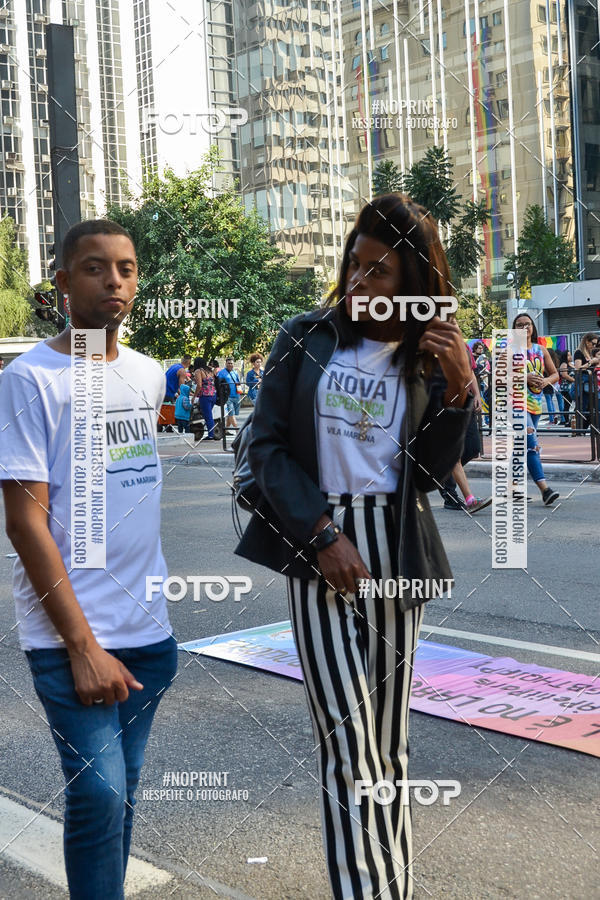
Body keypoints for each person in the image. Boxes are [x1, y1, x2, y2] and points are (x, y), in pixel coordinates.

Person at [236, 193, 473, 900]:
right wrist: (321, 534)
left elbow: (430, 476)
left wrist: (461, 391)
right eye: (356, 264)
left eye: (381, 271)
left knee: (389, 752)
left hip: (398, 550)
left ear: (414, 279)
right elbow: (267, 446)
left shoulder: (430, 352)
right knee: (348, 745)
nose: (362, 282)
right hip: (323, 545)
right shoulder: (305, 336)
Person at [0, 219, 177, 900]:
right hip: (71, 640)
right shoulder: (28, 380)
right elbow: (26, 524)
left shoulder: (145, 374)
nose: (115, 281)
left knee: (120, 797)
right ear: (62, 283)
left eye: (127, 268)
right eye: (96, 267)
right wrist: (81, 646)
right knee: (100, 795)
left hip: (148, 637)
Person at [513, 312, 559, 505]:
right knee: (531, 445)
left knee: (520, 448)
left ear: (533, 328)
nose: (524, 328)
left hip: (534, 404)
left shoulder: (541, 349)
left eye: (528, 324)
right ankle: (545, 490)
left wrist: (545, 380)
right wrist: (524, 378)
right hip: (514, 404)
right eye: (519, 325)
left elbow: (555, 374)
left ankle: (512, 488)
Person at [440, 342, 491, 513]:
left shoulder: (462, 345)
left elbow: (470, 373)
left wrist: (476, 394)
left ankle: (444, 475)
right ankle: (469, 499)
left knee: (473, 447)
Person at [573, 333, 600, 430]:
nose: (594, 346)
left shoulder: (589, 353)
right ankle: (580, 430)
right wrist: (591, 362)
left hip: (591, 383)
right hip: (583, 383)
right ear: (586, 341)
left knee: (591, 409)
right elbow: (577, 368)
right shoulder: (579, 352)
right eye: (593, 343)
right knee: (583, 408)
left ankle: (584, 430)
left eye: (595, 345)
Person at [192, 356, 217, 439]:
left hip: (205, 396)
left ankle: (211, 436)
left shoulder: (198, 371)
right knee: (208, 415)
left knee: (208, 416)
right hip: (213, 395)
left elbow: (199, 385)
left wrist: (194, 396)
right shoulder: (210, 371)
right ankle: (211, 432)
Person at [218, 356, 241, 431]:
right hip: (227, 397)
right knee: (231, 414)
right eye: (229, 363)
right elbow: (218, 384)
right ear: (225, 364)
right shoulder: (221, 373)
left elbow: (238, 383)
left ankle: (226, 430)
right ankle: (237, 431)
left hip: (236, 395)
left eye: (231, 363)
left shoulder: (235, 372)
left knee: (230, 415)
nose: (230, 365)